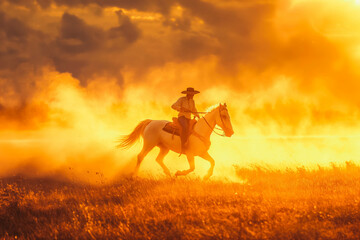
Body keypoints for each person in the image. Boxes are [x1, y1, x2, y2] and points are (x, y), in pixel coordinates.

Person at [171, 87, 200, 153]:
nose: (193, 96)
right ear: (188, 94)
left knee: (194, 128)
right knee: (185, 127)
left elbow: (194, 110)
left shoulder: (192, 101)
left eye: (193, 94)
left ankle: (191, 143)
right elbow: (173, 106)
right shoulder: (181, 100)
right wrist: (181, 108)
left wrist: (197, 115)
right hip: (182, 117)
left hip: (188, 118)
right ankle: (184, 145)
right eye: (191, 94)